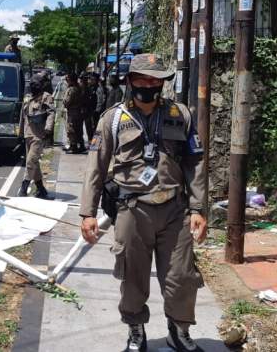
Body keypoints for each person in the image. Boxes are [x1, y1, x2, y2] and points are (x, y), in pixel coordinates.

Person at [78, 54, 207, 352]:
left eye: (154, 79)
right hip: (132, 211)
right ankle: (136, 331)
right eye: (142, 78)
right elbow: (95, 166)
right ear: (130, 80)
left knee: (182, 277)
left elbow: (195, 164)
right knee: (133, 277)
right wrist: (88, 212)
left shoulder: (181, 114)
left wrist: (198, 208)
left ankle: (179, 332)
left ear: (162, 83)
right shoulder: (113, 119)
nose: (148, 84)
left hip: (175, 211)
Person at [17, 73, 55, 198]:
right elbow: (23, 115)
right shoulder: (27, 97)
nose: (33, 86)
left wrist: (48, 128)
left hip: (39, 135)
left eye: (36, 84)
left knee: (30, 161)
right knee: (34, 163)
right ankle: (41, 189)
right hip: (28, 134)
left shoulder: (46, 97)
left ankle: (24, 187)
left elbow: (51, 113)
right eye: (32, 84)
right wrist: (20, 131)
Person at [62, 73, 86, 153]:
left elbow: (67, 101)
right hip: (78, 111)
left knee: (71, 129)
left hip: (73, 112)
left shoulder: (72, 89)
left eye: (68, 79)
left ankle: (74, 147)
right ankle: (81, 145)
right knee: (78, 129)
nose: (66, 80)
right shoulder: (79, 87)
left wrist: (64, 101)